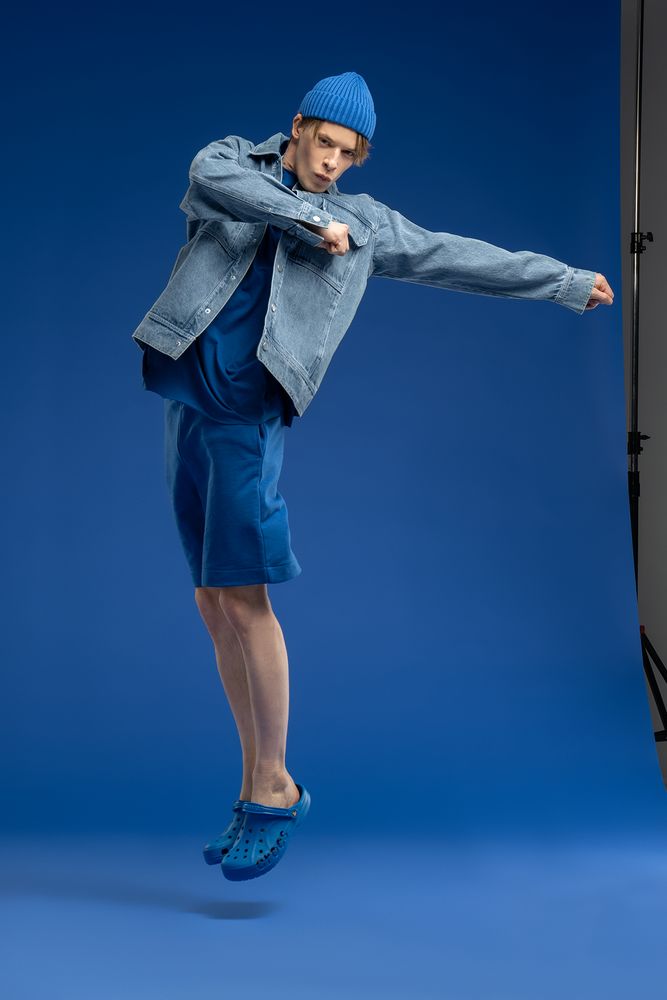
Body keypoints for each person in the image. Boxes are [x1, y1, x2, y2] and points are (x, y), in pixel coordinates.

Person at [131, 71, 615, 881]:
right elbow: (211, 180)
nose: (331, 164)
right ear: (297, 127)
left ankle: (275, 787)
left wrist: (561, 282)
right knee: (211, 602)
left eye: (347, 155)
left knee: (244, 601)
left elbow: (456, 257)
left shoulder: (364, 225)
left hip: (247, 417)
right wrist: (307, 217)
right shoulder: (234, 162)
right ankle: (252, 783)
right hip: (188, 401)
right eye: (324, 143)